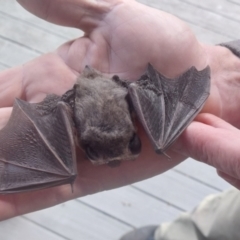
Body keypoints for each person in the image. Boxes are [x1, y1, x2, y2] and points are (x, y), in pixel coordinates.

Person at [0, 0, 240, 226]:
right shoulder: (76, 129)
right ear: (134, 140)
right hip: (94, 94)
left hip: (102, 92)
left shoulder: (89, 127)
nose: (113, 165)